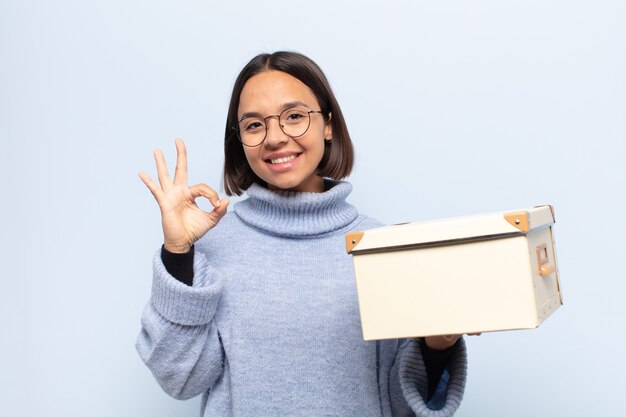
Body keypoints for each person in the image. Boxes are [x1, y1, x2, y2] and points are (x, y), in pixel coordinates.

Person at [136, 51, 467, 417]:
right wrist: (178, 252)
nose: (275, 138)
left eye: (294, 117)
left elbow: (406, 404)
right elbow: (180, 379)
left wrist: (440, 343)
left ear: (328, 125)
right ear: (240, 140)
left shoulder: (380, 248)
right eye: (254, 125)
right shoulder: (215, 246)